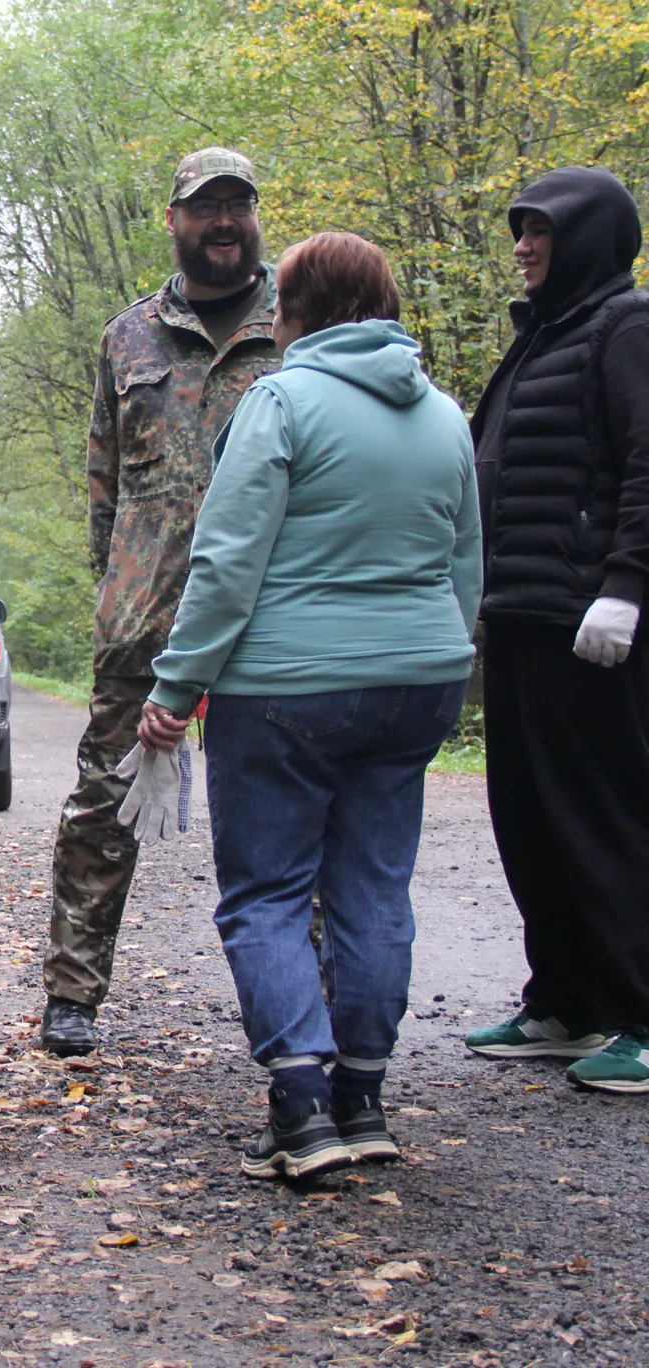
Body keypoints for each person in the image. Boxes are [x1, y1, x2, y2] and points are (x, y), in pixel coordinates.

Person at [136, 232, 480, 1179]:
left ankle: (300, 1110)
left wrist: (176, 687)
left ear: (298, 308)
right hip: (419, 682)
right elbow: (463, 561)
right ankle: (363, 1098)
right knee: (374, 887)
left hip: (287, 691)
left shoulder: (279, 402)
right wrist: (435, 655)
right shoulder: (444, 415)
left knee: (269, 893)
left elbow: (226, 560)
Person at [42, 147, 282, 1056]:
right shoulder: (127, 337)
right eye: (204, 207)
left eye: (238, 205)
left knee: (274, 815)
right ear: (174, 221)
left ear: (254, 215)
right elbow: (101, 486)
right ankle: (72, 996)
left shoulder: (294, 324)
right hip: (145, 621)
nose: (223, 221)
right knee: (102, 810)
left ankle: (300, 1003)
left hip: (272, 618)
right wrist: (116, 588)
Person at [461, 168, 649, 1095]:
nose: (524, 246)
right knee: (530, 820)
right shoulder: (542, 337)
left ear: (588, 239)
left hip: (595, 626)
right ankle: (568, 1004)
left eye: (539, 231)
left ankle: (642, 1017)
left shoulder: (627, 328)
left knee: (606, 818)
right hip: (524, 620)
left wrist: (627, 586)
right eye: (520, 230)